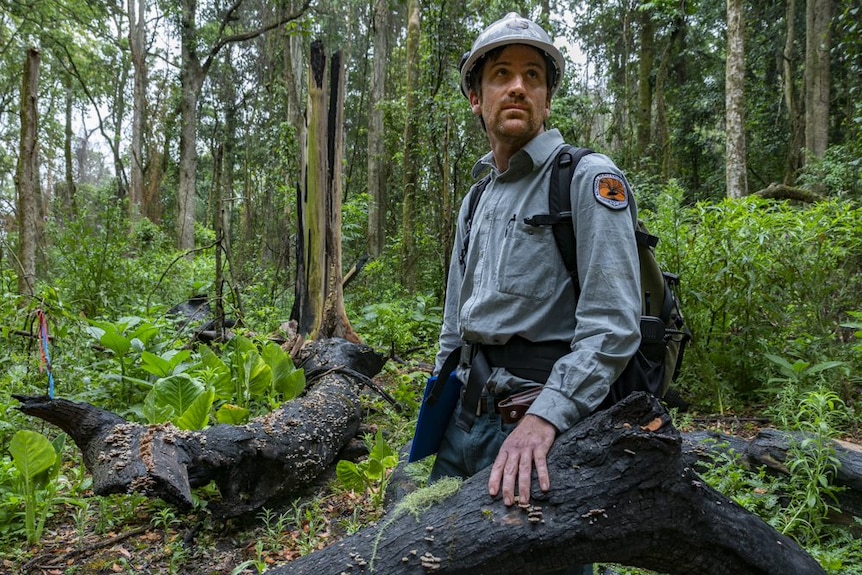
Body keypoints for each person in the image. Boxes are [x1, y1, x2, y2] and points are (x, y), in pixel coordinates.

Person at [427, 12, 642, 574]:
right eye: (501, 74)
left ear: (546, 99)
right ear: (477, 97)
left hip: (543, 428)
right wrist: (438, 406)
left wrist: (546, 418)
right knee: (440, 556)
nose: (517, 85)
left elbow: (614, 325)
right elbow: (456, 320)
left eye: (532, 75)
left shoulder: (588, 181)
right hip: (463, 422)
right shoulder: (475, 199)